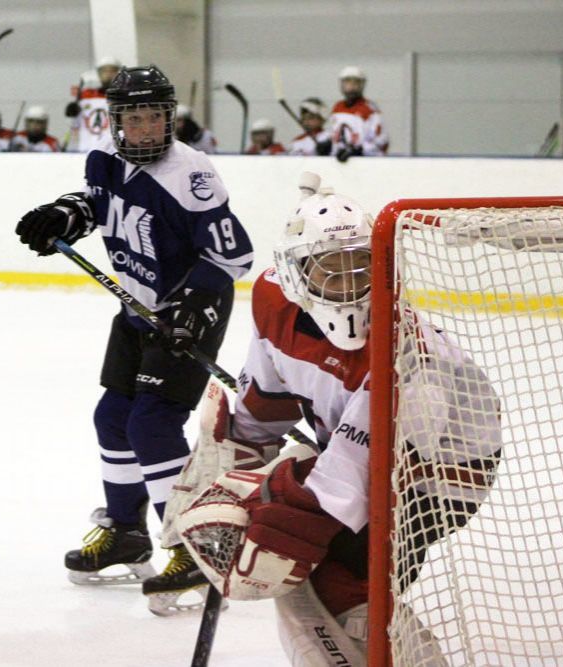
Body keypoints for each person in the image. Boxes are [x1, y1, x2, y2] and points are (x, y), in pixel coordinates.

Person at [175, 173, 502, 664]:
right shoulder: (275, 302)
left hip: (439, 475)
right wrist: (236, 453)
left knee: (330, 575)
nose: (349, 284)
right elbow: (267, 396)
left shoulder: (404, 349)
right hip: (359, 454)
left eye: (361, 266)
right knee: (306, 571)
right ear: (296, 273)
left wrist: (277, 497)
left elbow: (357, 473)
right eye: (332, 268)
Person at [14, 65, 254, 616]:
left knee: (152, 422)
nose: (145, 130)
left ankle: (191, 548)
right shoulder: (103, 159)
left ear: (169, 118)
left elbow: (233, 255)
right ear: (116, 121)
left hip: (190, 311)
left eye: (154, 118)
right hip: (137, 309)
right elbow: (101, 204)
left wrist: (193, 307)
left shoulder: (192, 175)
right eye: (133, 119)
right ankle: (127, 532)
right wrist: (67, 214)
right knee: (112, 418)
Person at [330, 66, 388, 162]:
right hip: (339, 162)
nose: (351, 87)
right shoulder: (337, 107)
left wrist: (360, 150)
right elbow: (336, 135)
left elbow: (382, 140)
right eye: (347, 82)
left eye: (356, 83)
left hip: (363, 163)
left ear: (362, 85)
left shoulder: (370, 109)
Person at [64, 56, 120, 153]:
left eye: (112, 71)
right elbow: (73, 124)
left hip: (112, 151)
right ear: (98, 73)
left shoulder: (124, 97)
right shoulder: (86, 96)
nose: (109, 74)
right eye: (105, 71)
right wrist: (72, 111)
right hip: (85, 149)